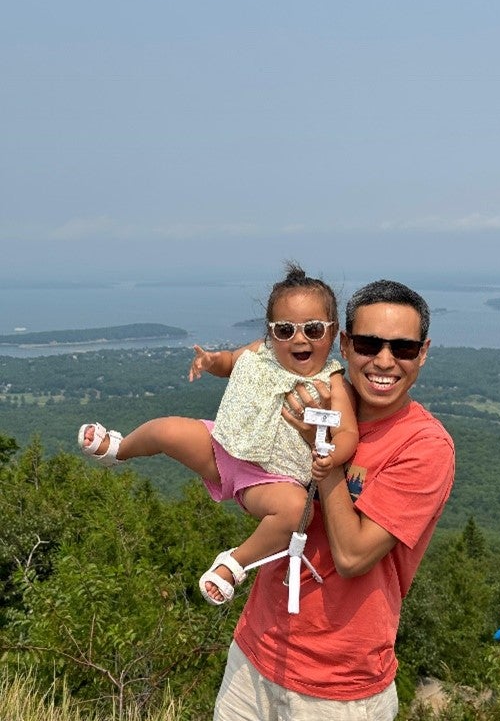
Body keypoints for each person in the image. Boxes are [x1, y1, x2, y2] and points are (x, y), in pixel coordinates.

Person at [213, 279, 456, 721]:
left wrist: (320, 448)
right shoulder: (313, 392)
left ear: (423, 353)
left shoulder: (424, 447)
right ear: (344, 345)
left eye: (403, 348)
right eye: (368, 344)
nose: (384, 361)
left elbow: (352, 556)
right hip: (253, 654)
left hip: (337, 689)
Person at [78, 263, 358, 605]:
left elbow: (348, 433)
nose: (299, 339)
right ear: (271, 333)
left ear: (333, 332)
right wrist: (211, 362)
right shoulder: (260, 352)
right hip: (222, 446)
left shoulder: (333, 383)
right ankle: (119, 449)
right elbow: (229, 362)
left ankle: (233, 564)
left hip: (272, 479)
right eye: (285, 330)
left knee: (297, 511)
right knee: (166, 430)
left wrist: (332, 455)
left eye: (313, 329)